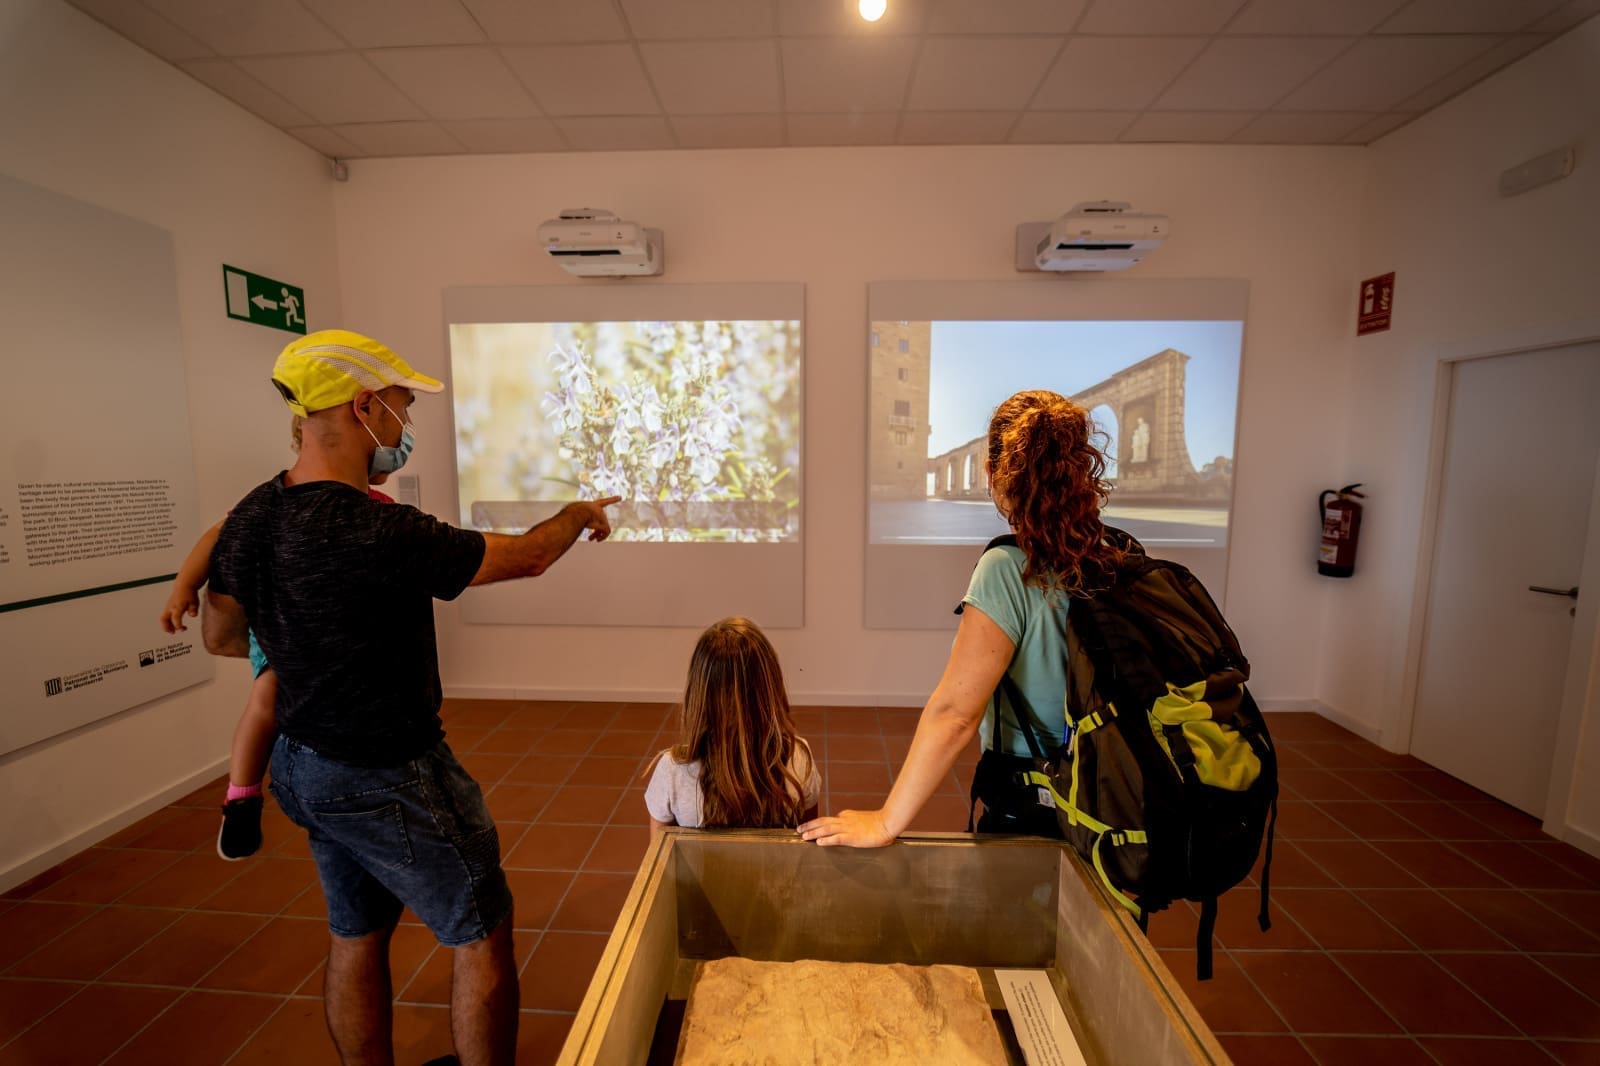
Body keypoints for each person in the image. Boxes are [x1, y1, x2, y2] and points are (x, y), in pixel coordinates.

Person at [202, 329, 618, 1066]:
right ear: (364, 408)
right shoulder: (375, 527)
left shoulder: (250, 517)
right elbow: (524, 558)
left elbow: (222, 635)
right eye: (400, 405)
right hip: (389, 772)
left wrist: (305, 653)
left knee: (355, 930)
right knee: (480, 928)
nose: (405, 424)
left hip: (301, 765)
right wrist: (579, 513)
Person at [799, 390, 1123, 847]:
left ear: (993, 473)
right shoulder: (1116, 558)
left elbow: (954, 715)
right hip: (1109, 796)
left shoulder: (1009, 569)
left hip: (1040, 802)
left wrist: (887, 821)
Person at [161, 418, 396, 861]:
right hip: (283, 629)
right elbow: (218, 535)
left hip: (341, 639)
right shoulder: (273, 504)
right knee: (267, 695)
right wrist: (183, 587)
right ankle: (242, 800)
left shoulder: (377, 504)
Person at [645, 617, 820, 832]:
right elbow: (809, 843)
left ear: (698, 693)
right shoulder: (798, 757)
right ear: (771, 686)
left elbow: (661, 857)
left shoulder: (671, 770)